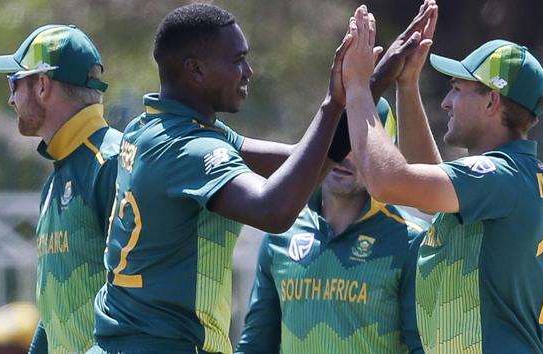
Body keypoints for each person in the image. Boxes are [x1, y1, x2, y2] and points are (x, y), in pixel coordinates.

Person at [89, 4, 354, 354]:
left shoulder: (150, 128)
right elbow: (274, 211)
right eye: (237, 59)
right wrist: (333, 104)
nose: (248, 71)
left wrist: (369, 86)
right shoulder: (190, 150)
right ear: (196, 70)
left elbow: (296, 165)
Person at [342, 5, 543, 354]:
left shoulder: (498, 176)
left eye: (458, 89)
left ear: (492, 101)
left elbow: (387, 183)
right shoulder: (527, 176)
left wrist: (356, 88)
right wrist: (407, 85)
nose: (446, 103)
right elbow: (422, 189)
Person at [235, 98, 427, 354]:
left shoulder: (410, 241)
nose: (344, 154)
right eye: (337, 137)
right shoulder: (282, 231)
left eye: (359, 142)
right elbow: (257, 345)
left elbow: (422, 346)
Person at [0, 25, 122, 354]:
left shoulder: (112, 163)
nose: (10, 98)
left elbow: (139, 300)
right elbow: (55, 310)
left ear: (42, 84)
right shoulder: (57, 180)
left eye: (14, 82)